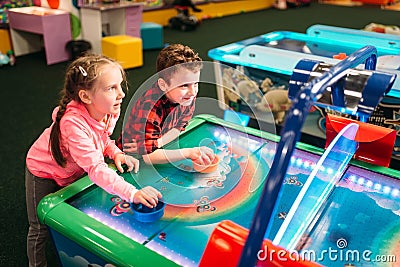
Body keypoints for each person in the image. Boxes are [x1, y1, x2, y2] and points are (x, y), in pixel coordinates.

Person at [25, 54, 162, 267]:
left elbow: (102, 139)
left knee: (73, 214)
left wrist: (116, 153)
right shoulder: (72, 124)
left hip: (74, 168)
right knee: (39, 226)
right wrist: (132, 193)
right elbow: (96, 169)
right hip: (43, 171)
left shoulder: (107, 109)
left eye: (120, 85)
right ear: (86, 97)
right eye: (111, 88)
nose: (122, 94)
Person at [117, 44, 214, 166]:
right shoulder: (149, 107)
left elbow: (179, 127)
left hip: (157, 146)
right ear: (163, 85)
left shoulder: (186, 97)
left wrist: (157, 143)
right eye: (184, 85)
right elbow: (148, 157)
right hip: (128, 158)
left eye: (195, 84)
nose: (193, 92)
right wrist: (189, 152)